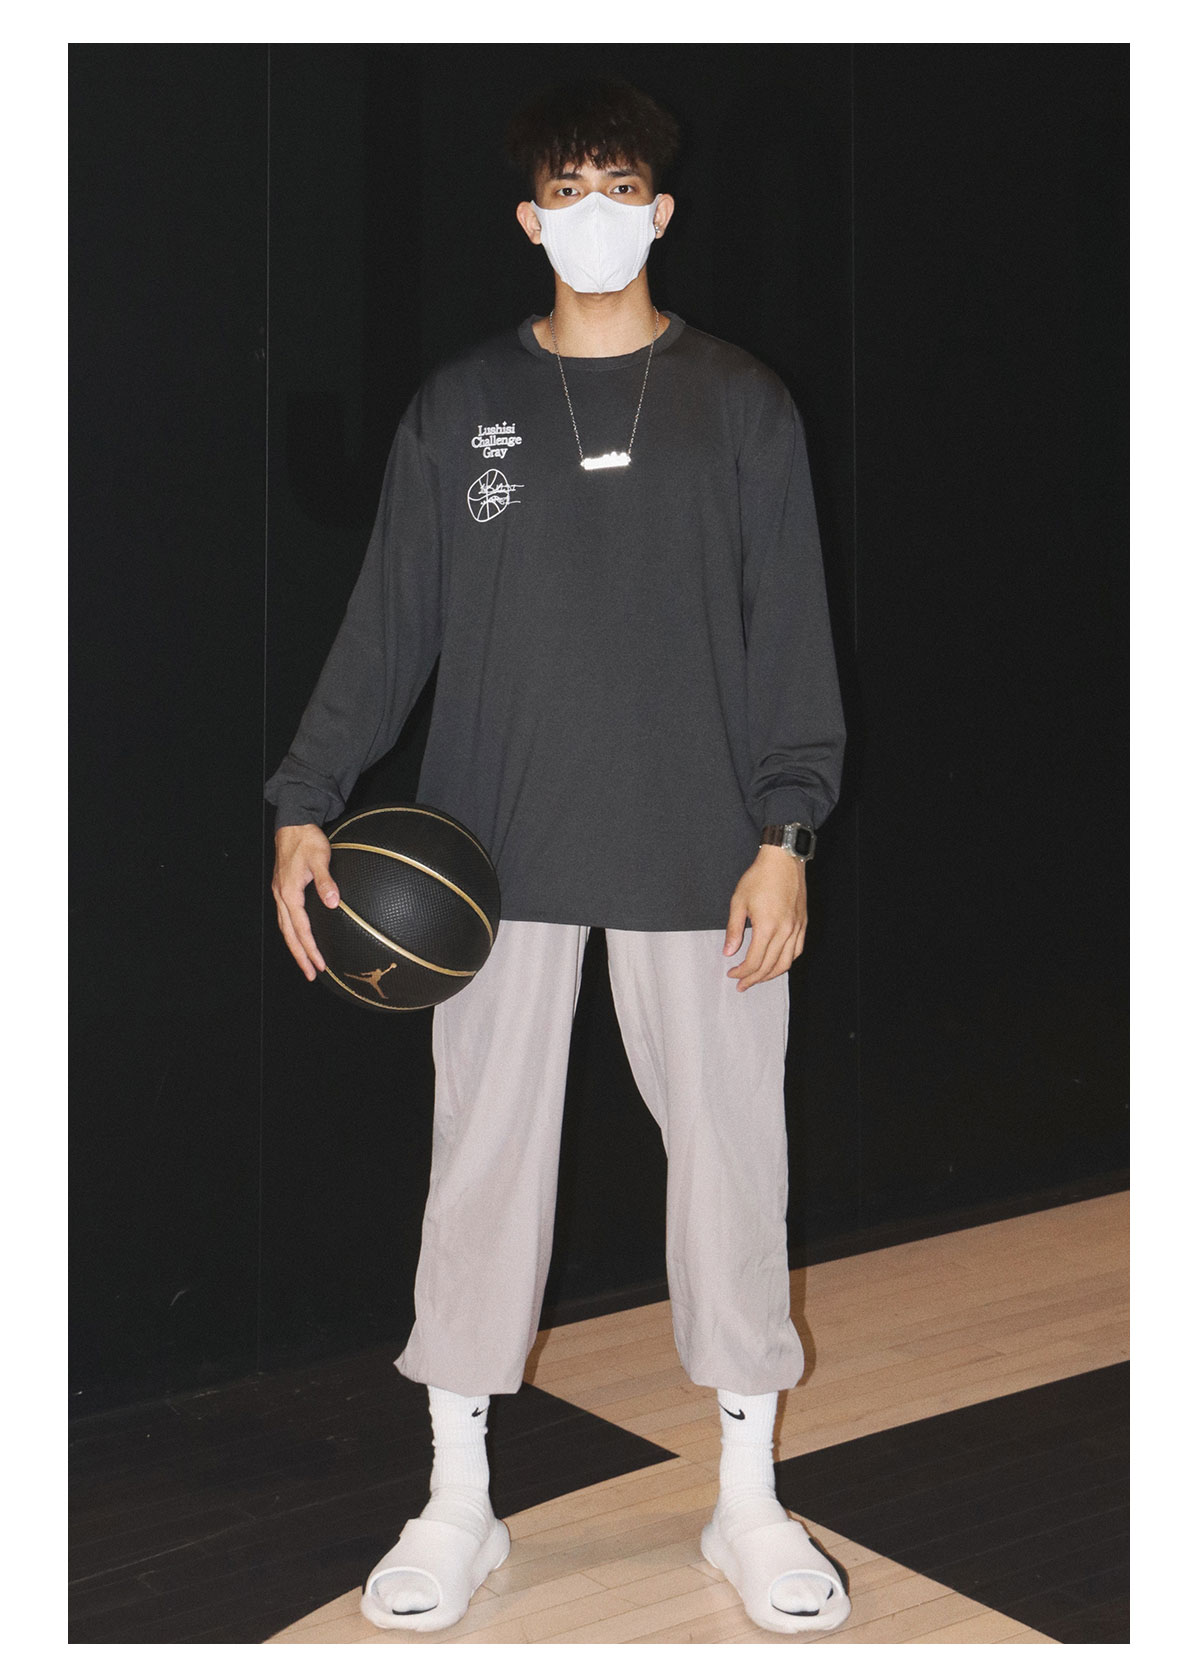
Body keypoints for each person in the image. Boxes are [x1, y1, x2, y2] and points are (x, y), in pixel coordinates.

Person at [265, 77, 850, 1638]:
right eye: (570, 191)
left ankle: (747, 1501)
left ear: (663, 212)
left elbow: (792, 637)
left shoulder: (742, 405)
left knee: (734, 1170)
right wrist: (307, 793)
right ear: (531, 220)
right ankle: (459, 1501)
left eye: (624, 188)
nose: (599, 213)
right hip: (492, 863)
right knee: (483, 1170)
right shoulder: (462, 407)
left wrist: (787, 830)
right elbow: (389, 623)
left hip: (705, 857)